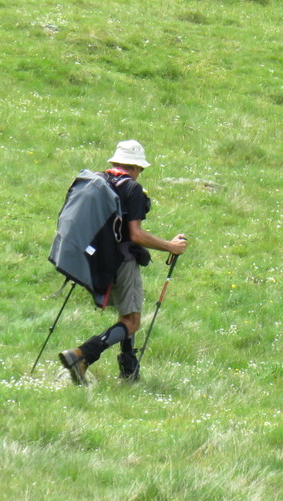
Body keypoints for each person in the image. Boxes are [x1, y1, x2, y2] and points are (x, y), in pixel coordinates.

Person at [59, 140, 187, 384]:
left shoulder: (97, 181)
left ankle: (129, 371)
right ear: (136, 167)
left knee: (126, 314)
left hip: (94, 258)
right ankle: (82, 355)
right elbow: (136, 235)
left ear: (115, 162)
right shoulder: (132, 189)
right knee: (132, 321)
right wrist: (170, 246)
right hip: (122, 260)